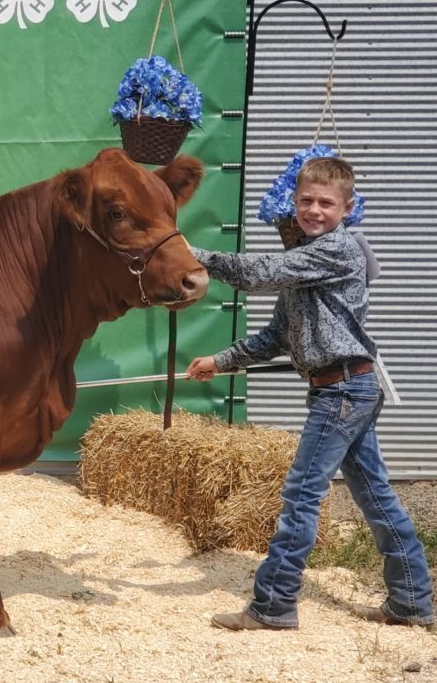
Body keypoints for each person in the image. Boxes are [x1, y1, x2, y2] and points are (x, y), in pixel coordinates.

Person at [186, 156, 433, 631]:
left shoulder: (337, 250)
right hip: (345, 388)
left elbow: (258, 272)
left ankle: (273, 604)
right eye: (305, 200)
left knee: (301, 496)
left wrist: (196, 256)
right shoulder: (305, 266)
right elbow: (275, 335)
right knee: (377, 496)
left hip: (343, 390)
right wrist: (221, 360)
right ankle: (411, 601)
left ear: (347, 208)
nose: (313, 210)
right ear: (293, 202)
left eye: (325, 202)